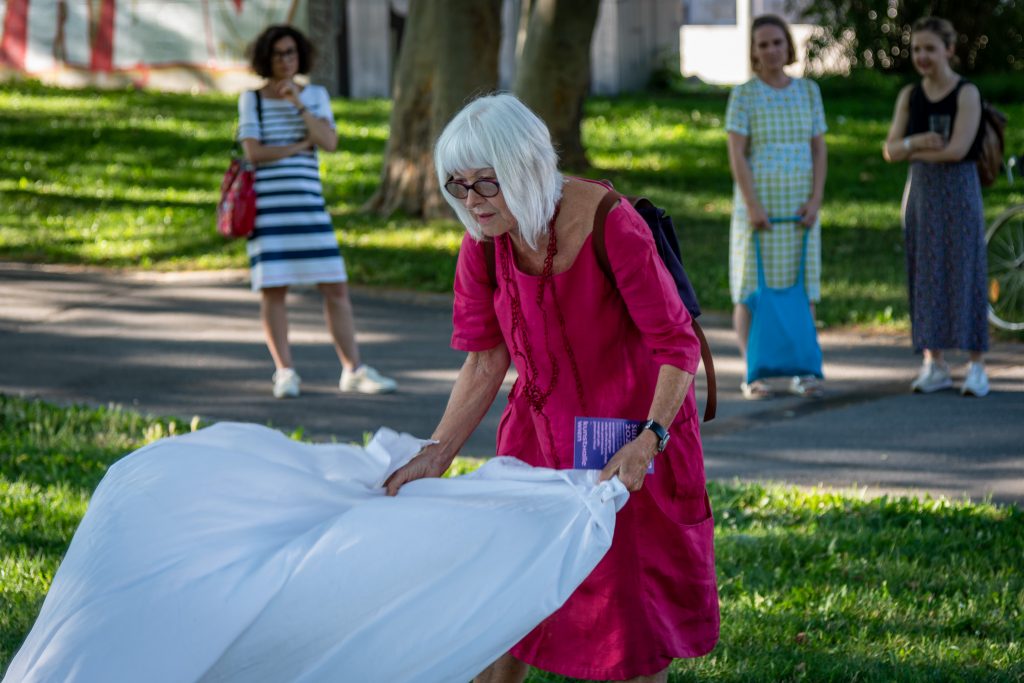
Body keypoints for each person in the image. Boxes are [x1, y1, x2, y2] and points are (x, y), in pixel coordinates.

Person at [384, 94, 719, 683]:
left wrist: (650, 439)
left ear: (526, 167)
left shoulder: (609, 222)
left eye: (484, 184)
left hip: (631, 441)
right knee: (504, 602)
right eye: (457, 187)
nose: (471, 203)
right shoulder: (484, 239)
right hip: (537, 441)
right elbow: (486, 361)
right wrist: (437, 452)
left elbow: (677, 346)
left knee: (626, 624)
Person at [239, 24, 396, 398]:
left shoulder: (316, 96)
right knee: (274, 290)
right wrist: (297, 146)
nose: (285, 60)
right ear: (266, 58)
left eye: (291, 52)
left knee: (335, 287)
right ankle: (285, 372)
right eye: (278, 53)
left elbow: (327, 141)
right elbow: (254, 153)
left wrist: (298, 104)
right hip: (269, 211)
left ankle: (353, 369)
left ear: (300, 55)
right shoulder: (252, 99)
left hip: (309, 207)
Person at [882, 16, 990, 397]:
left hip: (958, 191)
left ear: (949, 50)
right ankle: (934, 362)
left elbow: (959, 150)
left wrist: (912, 147)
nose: (922, 56)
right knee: (923, 271)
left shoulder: (966, 92)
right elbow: (890, 149)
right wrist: (917, 144)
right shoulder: (910, 96)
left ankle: (976, 365)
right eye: (916, 49)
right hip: (922, 193)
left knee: (967, 271)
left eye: (930, 48)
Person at [724, 14, 828, 400]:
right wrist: (753, 205)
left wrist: (816, 198)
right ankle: (755, 372)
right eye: (763, 44)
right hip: (759, 208)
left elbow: (819, 147)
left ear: (788, 46)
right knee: (751, 289)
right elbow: (737, 153)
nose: (770, 50)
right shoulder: (744, 95)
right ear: (754, 50)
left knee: (802, 286)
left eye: (776, 42)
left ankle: (804, 369)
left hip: (801, 207)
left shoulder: (809, 92)